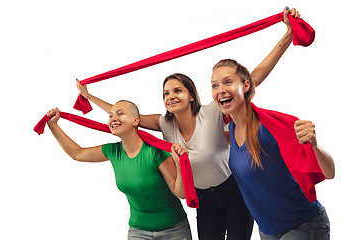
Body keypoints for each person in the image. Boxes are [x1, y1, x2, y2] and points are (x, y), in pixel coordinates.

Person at [76, 7, 300, 239]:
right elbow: (123, 116)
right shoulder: (164, 124)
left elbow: (253, 79)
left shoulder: (213, 112)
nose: (170, 96)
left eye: (177, 91)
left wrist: (287, 35)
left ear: (191, 95)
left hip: (235, 193)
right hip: (204, 200)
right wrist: (89, 96)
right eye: (165, 93)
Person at [210, 58, 334, 239]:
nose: (220, 89)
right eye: (214, 85)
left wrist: (314, 146)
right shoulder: (233, 127)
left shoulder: (269, 129)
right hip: (268, 231)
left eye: (228, 82)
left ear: (245, 86)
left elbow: (330, 172)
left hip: (302, 226)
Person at [46, 100, 192, 240]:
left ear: (135, 121)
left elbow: (181, 193)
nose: (113, 118)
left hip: (174, 229)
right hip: (138, 231)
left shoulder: (156, 152)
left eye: (120, 113)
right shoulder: (113, 151)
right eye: (110, 116)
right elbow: (77, 153)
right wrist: (53, 126)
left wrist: (179, 166)